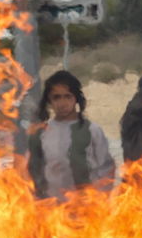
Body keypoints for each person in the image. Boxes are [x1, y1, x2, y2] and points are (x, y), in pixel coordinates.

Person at [27, 70, 115, 199]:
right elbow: (33, 171)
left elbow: (106, 169)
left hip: (86, 205)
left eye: (67, 96)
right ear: (49, 100)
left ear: (76, 98)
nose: (62, 103)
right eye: (56, 97)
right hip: (52, 206)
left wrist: (100, 197)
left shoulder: (92, 130)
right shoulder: (40, 133)